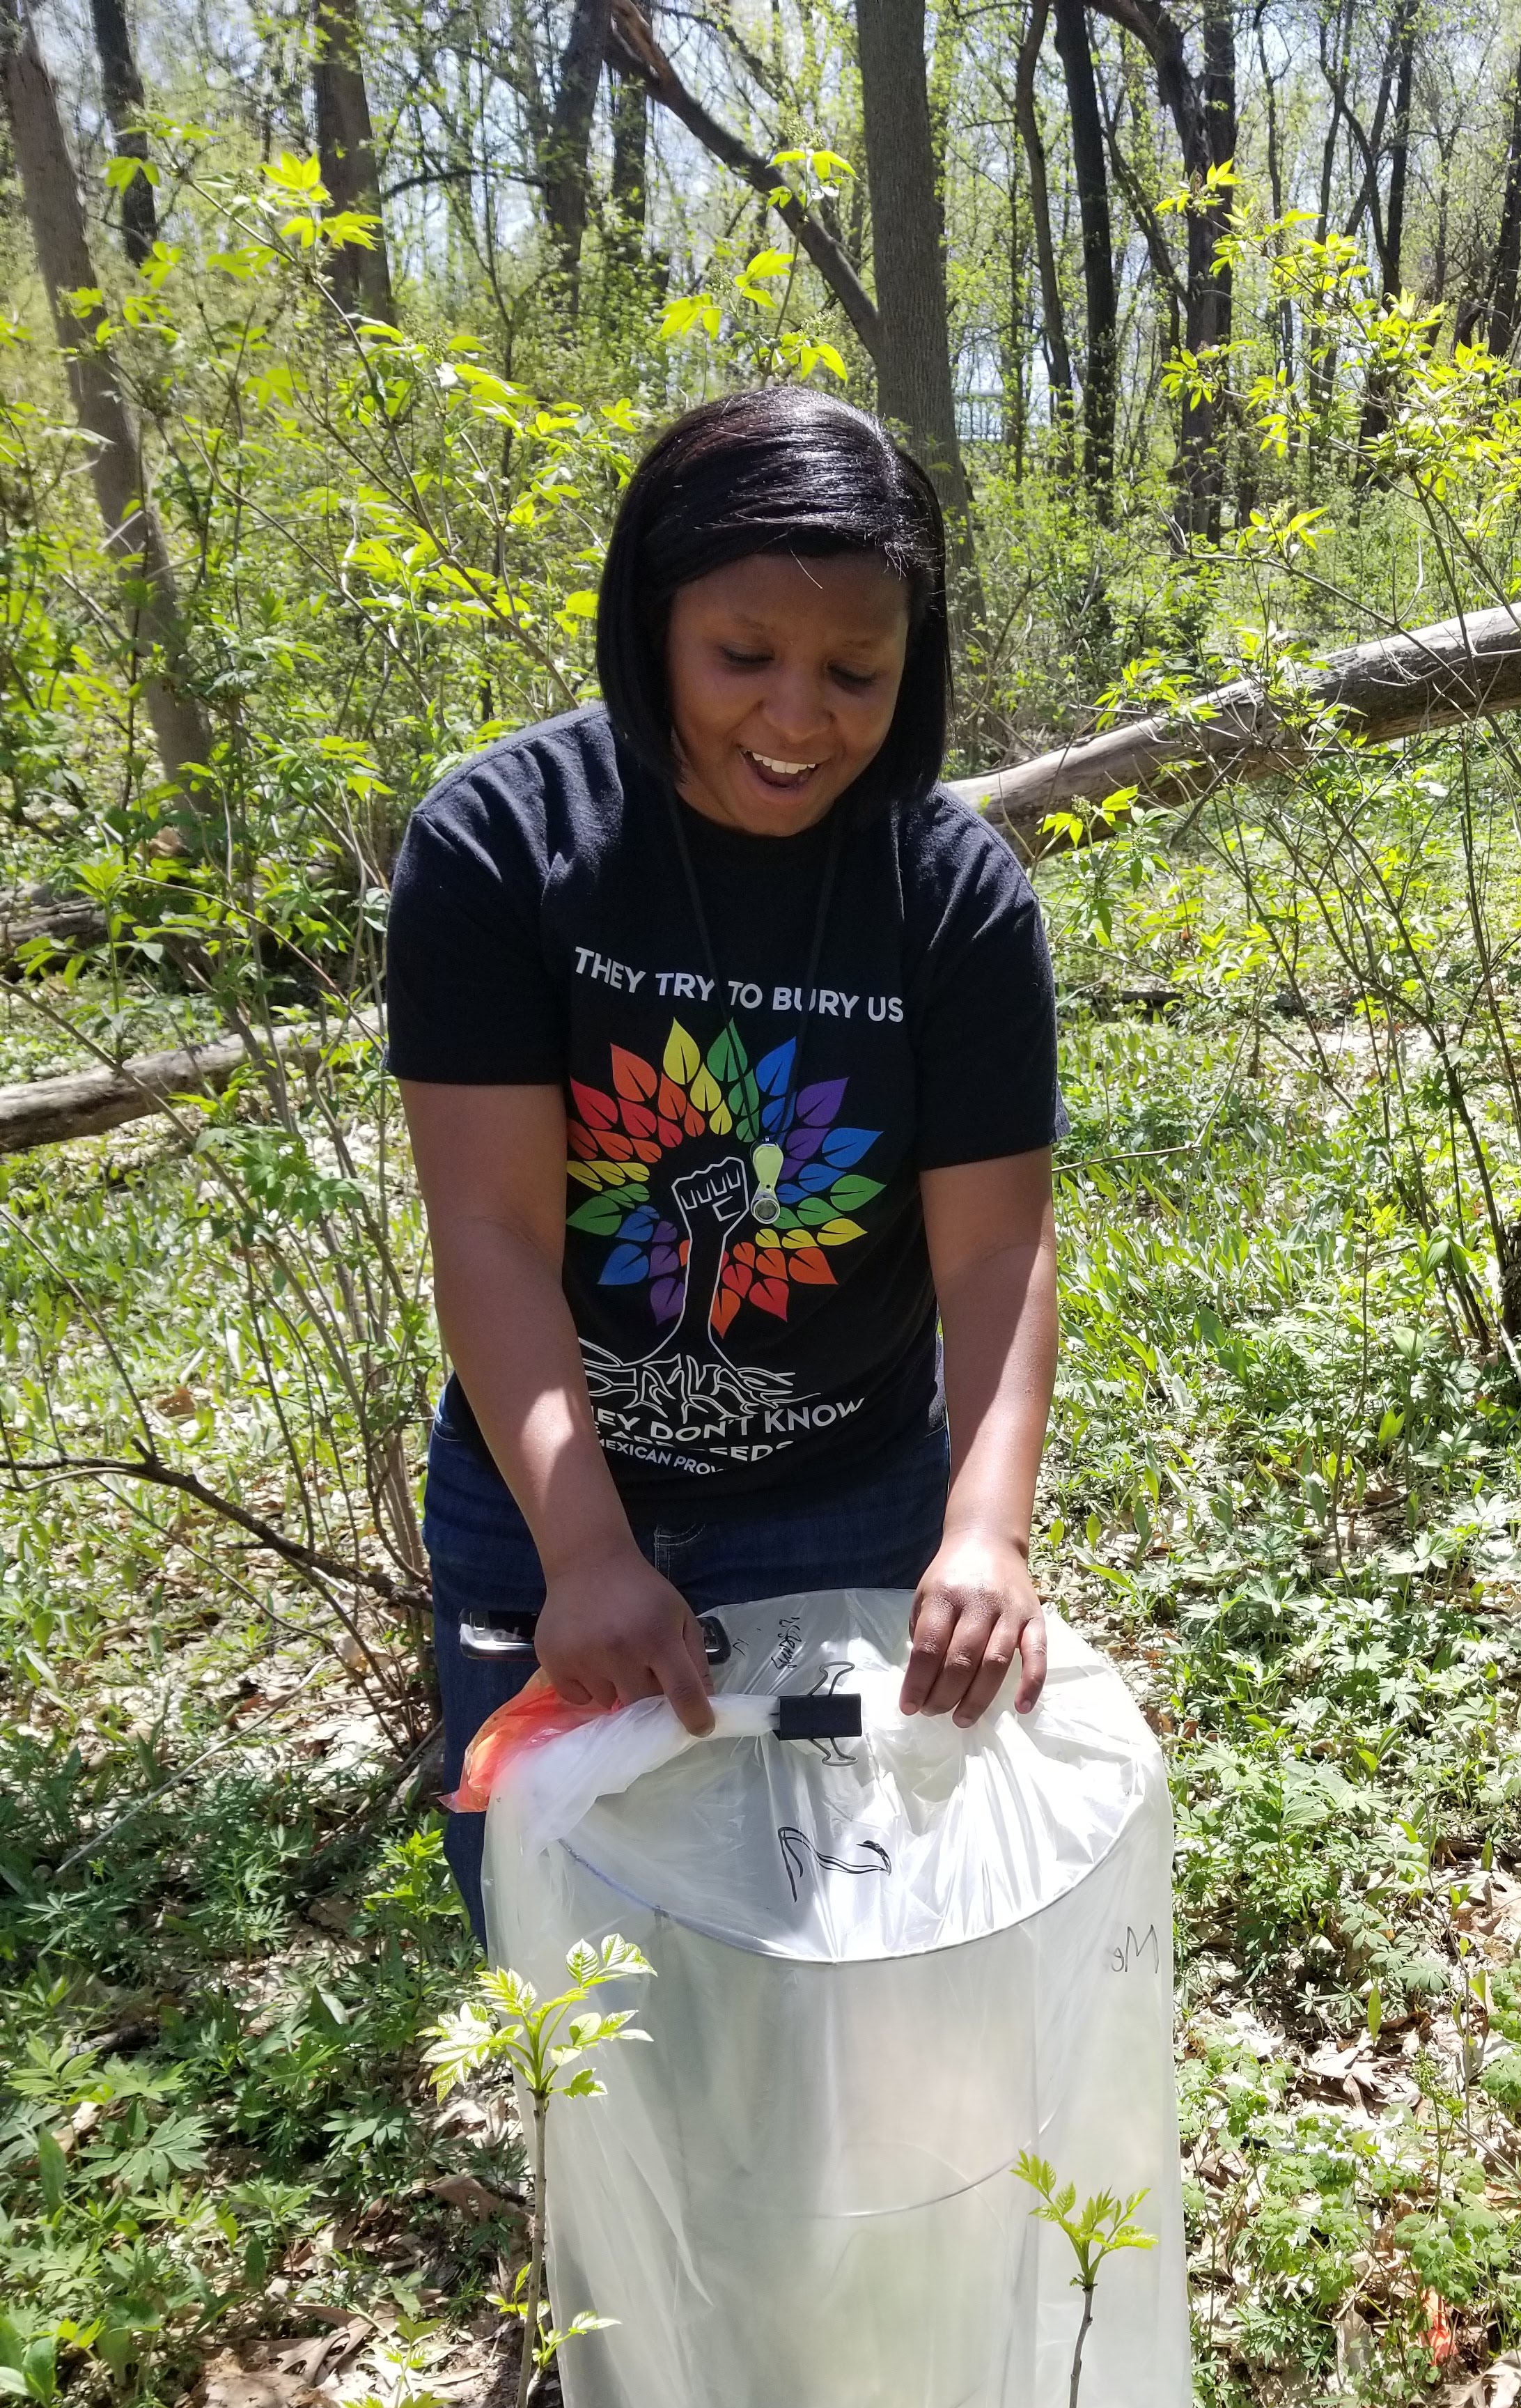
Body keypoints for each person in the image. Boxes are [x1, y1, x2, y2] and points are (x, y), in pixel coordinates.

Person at [384, 387, 1061, 1937]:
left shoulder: (950, 899)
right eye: (741, 656)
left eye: (855, 670)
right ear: (651, 615)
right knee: (554, 1928)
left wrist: (984, 1528)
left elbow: (992, 1256)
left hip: (842, 1494)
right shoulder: (503, 846)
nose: (797, 716)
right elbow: (489, 1228)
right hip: (537, 1491)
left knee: (822, 1928)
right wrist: (586, 1548)